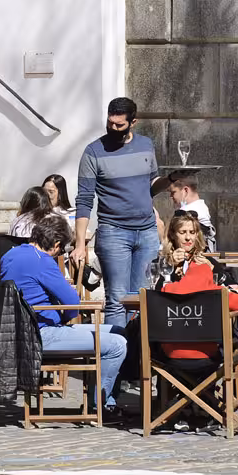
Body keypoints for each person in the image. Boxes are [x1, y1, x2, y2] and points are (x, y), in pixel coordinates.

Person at [0, 217, 128, 421]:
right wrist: (63, 317)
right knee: (117, 344)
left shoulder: (10, 255)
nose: (60, 254)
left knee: (118, 331)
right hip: (41, 335)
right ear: (56, 244)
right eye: (62, 250)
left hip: (17, 334)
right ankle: (99, 405)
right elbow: (72, 303)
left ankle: (104, 401)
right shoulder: (42, 261)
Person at [151, 211, 238, 412]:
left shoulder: (206, 263)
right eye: (183, 232)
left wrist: (215, 272)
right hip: (181, 336)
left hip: (196, 337)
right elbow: (155, 295)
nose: (188, 237)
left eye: (192, 232)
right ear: (173, 235)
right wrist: (169, 265)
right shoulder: (163, 263)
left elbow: (231, 288)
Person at [72, 97, 167, 330]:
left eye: (119, 125)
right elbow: (84, 199)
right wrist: (80, 244)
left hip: (147, 232)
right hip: (113, 232)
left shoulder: (146, 145)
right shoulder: (93, 152)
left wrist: (171, 180)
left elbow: (151, 184)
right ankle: (116, 350)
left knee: (141, 298)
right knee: (116, 299)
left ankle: (136, 349)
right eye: (110, 123)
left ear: (133, 122)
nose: (113, 128)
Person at [168, 172, 216, 252]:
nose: (171, 196)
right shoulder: (202, 207)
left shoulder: (187, 212)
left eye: (173, 192)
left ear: (185, 190)